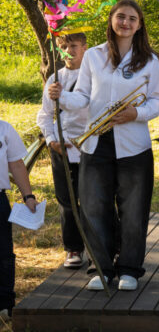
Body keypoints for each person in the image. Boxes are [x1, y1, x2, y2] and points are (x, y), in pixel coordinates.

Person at [50, 0, 159, 291]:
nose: (125, 23)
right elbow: (83, 97)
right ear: (112, 20)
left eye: (132, 18)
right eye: (120, 17)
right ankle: (101, 268)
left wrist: (135, 114)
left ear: (139, 25)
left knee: (133, 210)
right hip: (96, 142)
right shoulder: (93, 55)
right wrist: (62, 96)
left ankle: (129, 269)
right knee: (94, 207)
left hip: (134, 145)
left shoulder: (150, 60)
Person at [36, 33, 89, 269]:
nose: (68, 51)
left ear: (84, 48)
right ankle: (73, 249)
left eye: (73, 46)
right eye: (64, 47)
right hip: (62, 149)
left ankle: (103, 247)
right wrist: (51, 142)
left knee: (93, 200)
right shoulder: (54, 79)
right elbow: (45, 115)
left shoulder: (93, 76)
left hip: (89, 148)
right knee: (67, 201)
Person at [0, 121, 39, 319]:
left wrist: (28, 196)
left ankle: (5, 304)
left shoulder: (4, 128)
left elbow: (16, 164)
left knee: (4, 253)